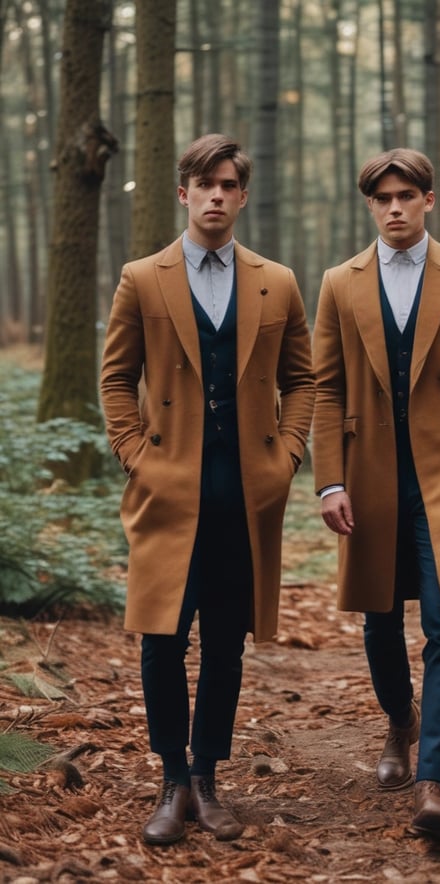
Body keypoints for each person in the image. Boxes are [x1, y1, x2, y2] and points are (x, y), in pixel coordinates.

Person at [100, 133, 315, 845]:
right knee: (161, 637)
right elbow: (115, 376)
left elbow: (303, 379)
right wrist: (135, 454)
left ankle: (207, 779)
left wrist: (287, 455)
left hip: (245, 489)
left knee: (225, 641)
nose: (217, 195)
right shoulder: (142, 276)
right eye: (204, 183)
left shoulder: (276, 281)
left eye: (229, 184)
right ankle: (169, 782)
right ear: (185, 192)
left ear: (243, 195)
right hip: (167, 486)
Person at [311, 148, 440, 837]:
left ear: (430, 199)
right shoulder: (340, 283)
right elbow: (327, 385)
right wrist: (330, 479)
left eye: (407, 196)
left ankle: (434, 779)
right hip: (369, 476)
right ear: (370, 206)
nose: (395, 208)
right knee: (378, 618)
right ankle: (400, 720)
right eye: (382, 198)